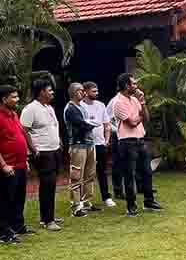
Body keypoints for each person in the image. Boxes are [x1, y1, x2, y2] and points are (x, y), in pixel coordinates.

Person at [0, 85, 32, 244]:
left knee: (19, 197)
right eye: (13, 97)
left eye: (17, 96)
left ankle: (17, 226)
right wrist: (3, 164)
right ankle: (3, 232)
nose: (17, 100)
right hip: (8, 166)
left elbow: (18, 137)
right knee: (6, 199)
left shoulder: (13, 114)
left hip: (19, 164)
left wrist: (25, 160)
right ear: (3, 99)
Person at [113, 73, 163, 216]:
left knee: (147, 172)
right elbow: (132, 122)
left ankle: (149, 201)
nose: (136, 86)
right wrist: (140, 116)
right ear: (126, 86)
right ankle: (131, 206)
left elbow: (146, 118)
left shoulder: (135, 100)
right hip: (127, 143)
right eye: (133, 84)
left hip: (140, 140)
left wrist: (142, 102)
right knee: (130, 175)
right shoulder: (118, 102)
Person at [21, 78, 64, 232]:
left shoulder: (49, 108)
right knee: (47, 184)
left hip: (54, 150)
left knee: (52, 184)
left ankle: (48, 215)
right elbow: (24, 130)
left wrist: (59, 141)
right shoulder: (30, 109)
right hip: (42, 152)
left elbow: (53, 126)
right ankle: (48, 220)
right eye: (49, 90)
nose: (52, 92)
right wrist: (33, 149)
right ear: (41, 92)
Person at [64, 82, 100, 217]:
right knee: (77, 175)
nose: (83, 93)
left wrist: (91, 124)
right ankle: (76, 205)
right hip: (78, 145)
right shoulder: (70, 109)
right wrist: (92, 124)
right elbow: (81, 124)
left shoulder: (81, 107)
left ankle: (86, 201)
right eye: (80, 91)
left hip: (89, 144)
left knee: (90, 174)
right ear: (74, 92)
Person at [81, 81, 116, 207]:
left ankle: (106, 197)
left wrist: (106, 140)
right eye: (93, 91)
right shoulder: (79, 106)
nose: (97, 93)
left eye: (97, 90)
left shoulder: (101, 105)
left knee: (102, 170)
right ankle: (85, 199)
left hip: (100, 143)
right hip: (86, 144)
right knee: (87, 172)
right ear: (85, 92)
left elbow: (107, 124)